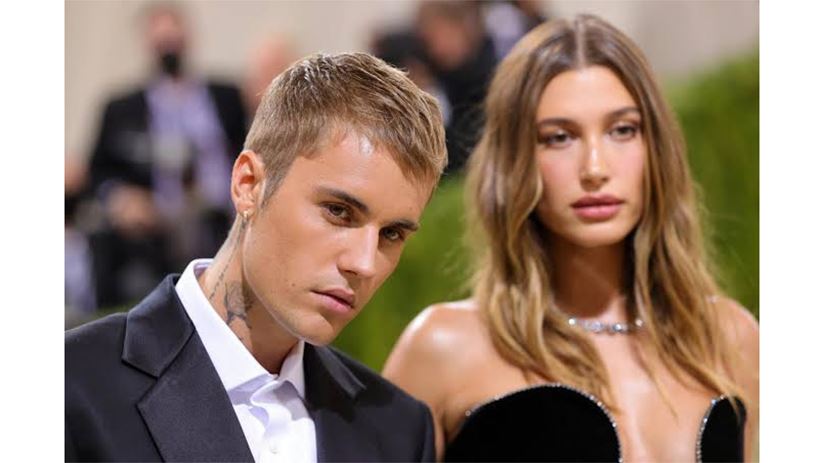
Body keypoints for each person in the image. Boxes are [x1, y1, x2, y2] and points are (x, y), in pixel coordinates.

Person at [384, 14, 758, 462]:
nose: (595, 168)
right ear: (516, 162)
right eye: (559, 137)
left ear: (656, 148)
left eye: (623, 130)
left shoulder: (729, 338)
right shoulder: (445, 348)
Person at [66, 52, 447, 462]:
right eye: (339, 212)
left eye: (391, 234)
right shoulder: (71, 386)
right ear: (248, 185)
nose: (365, 263)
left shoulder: (400, 431)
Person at [88, 3, 248, 309]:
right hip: (153, 228)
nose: (169, 50)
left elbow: (249, 147)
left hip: (221, 218)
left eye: (174, 40)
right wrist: (119, 198)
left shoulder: (225, 96)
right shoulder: (122, 108)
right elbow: (98, 173)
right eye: (162, 42)